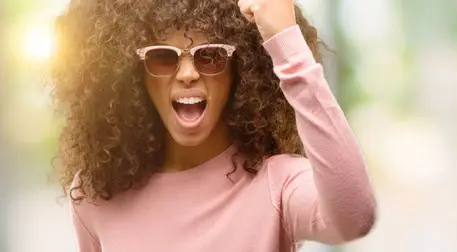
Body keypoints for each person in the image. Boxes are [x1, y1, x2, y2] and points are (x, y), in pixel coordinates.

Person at [50, 0, 377, 251]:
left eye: (210, 56)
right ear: (133, 77)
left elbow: (355, 219)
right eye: (162, 57)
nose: (188, 73)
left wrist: (286, 44)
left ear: (241, 71)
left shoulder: (276, 184)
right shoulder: (96, 198)